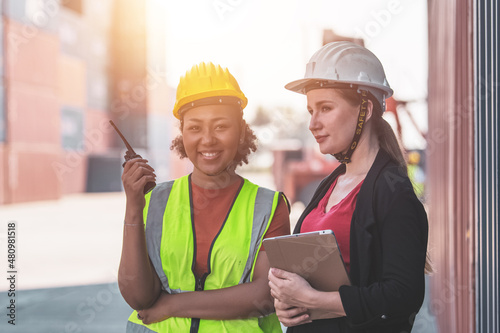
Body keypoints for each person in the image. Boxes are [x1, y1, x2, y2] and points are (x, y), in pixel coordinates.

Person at [268, 41, 430, 333]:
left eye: (325, 108)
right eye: (310, 110)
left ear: (365, 110)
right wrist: (289, 302)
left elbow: (403, 296)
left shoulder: (393, 193)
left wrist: (313, 299)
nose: (313, 123)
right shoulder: (329, 186)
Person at [118, 62, 290, 332]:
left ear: (242, 131)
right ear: (182, 133)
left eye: (221, 126)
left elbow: (264, 297)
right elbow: (138, 297)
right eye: (195, 128)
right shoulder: (154, 202)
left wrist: (173, 305)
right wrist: (133, 209)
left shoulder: (268, 207)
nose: (207, 140)